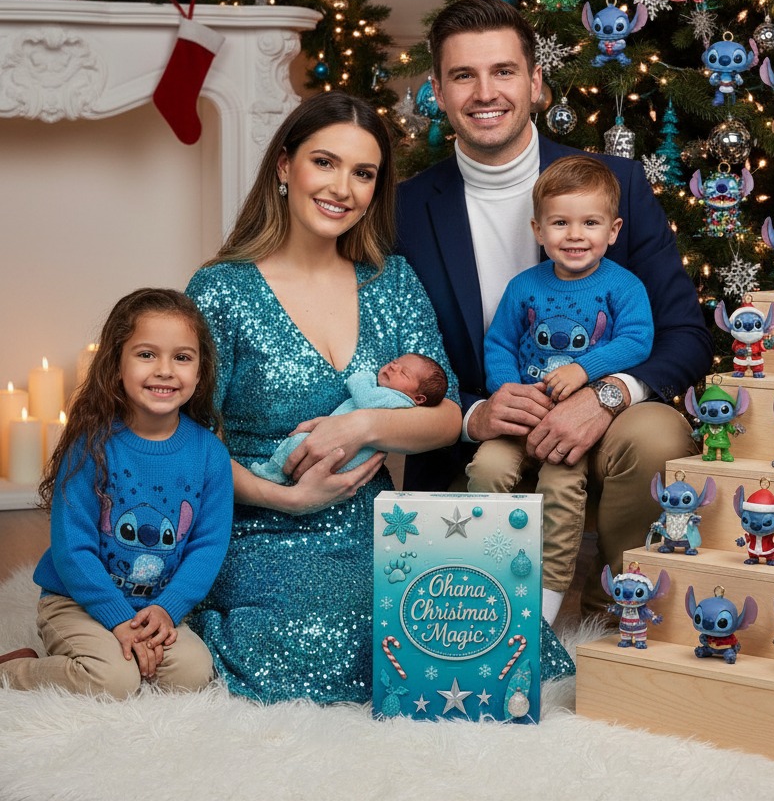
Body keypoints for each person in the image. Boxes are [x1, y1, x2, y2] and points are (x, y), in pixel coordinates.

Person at [184, 90, 573, 704]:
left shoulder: (390, 279)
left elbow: (447, 417)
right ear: (284, 167)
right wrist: (284, 496)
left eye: (363, 173)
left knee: (470, 632)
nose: (343, 188)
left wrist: (361, 426)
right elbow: (188, 442)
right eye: (325, 163)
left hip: (376, 522)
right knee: (307, 644)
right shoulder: (221, 289)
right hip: (260, 522)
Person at [396, 0, 714, 617]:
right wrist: (474, 413)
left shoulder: (613, 182)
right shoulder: (405, 208)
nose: (485, 93)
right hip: (483, 441)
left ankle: (619, 609)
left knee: (658, 436)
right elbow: (389, 357)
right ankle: (485, 615)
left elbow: (685, 336)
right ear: (437, 90)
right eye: (463, 75)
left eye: (504, 72)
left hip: (608, 424)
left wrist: (608, 395)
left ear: (536, 82)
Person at [0, 288, 233, 699]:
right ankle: (19, 670)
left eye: (182, 357)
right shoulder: (92, 446)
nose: (165, 370)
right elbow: (73, 549)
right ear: (117, 365)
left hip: (154, 608)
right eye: (146, 354)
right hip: (78, 601)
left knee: (193, 673)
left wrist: (167, 609)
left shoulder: (210, 454)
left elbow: (208, 546)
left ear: (200, 371)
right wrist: (116, 620)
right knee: (114, 681)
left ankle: (126, 648)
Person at [473, 154, 654, 623]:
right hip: (520, 420)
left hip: (572, 431)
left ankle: (544, 606)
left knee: (559, 493)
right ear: (538, 230)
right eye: (560, 223)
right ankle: (476, 580)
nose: (575, 235)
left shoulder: (622, 285)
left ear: (613, 230)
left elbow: (637, 339)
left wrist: (583, 370)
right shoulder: (523, 287)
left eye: (589, 222)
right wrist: (507, 391)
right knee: (486, 470)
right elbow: (499, 343)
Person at [250, 353, 449, 484]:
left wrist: (363, 377)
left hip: (344, 456)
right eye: (395, 362)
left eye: (403, 373)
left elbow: (364, 398)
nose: (393, 367)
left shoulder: (396, 400)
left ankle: (272, 472)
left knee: (297, 443)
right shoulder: (393, 398)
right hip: (344, 454)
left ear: (418, 398)